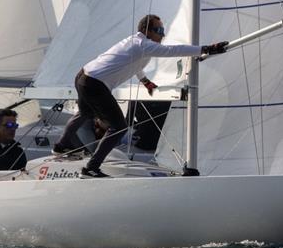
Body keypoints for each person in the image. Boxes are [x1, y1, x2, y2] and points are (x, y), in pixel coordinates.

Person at [54, 14, 228, 178]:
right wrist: (206, 49)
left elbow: (134, 64)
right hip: (94, 83)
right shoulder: (143, 44)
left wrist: (145, 81)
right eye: (159, 31)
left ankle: (61, 146)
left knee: (85, 114)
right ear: (147, 30)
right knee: (119, 126)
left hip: (83, 76)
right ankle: (91, 168)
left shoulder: (136, 43)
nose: (163, 34)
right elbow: (172, 51)